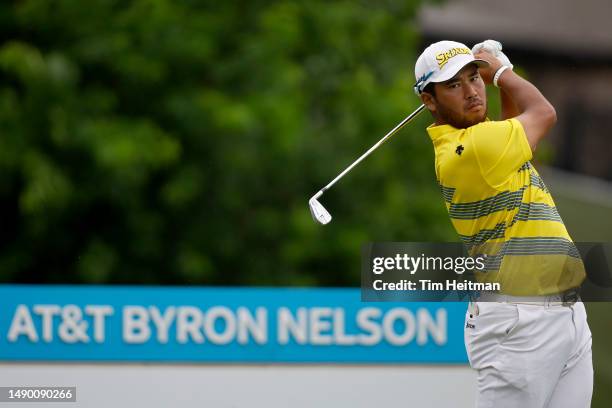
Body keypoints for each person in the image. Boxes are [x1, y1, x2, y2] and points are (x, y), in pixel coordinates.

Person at [413, 40, 593, 408]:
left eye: (474, 77)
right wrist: (502, 73)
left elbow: (518, 135)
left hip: (568, 314)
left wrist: (499, 79)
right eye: (453, 85)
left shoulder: (485, 141)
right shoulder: (471, 150)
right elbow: (544, 114)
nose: (471, 91)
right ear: (429, 101)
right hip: (520, 325)